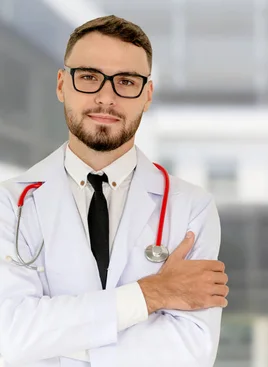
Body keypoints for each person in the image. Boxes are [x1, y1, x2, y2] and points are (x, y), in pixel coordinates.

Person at [0, 15, 228, 367]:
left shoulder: (191, 207)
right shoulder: (9, 203)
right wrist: (151, 294)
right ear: (62, 84)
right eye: (89, 77)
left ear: (147, 95)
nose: (106, 98)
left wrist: (53, 341)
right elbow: (10, 336)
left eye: (126, 81)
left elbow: (190, 351)